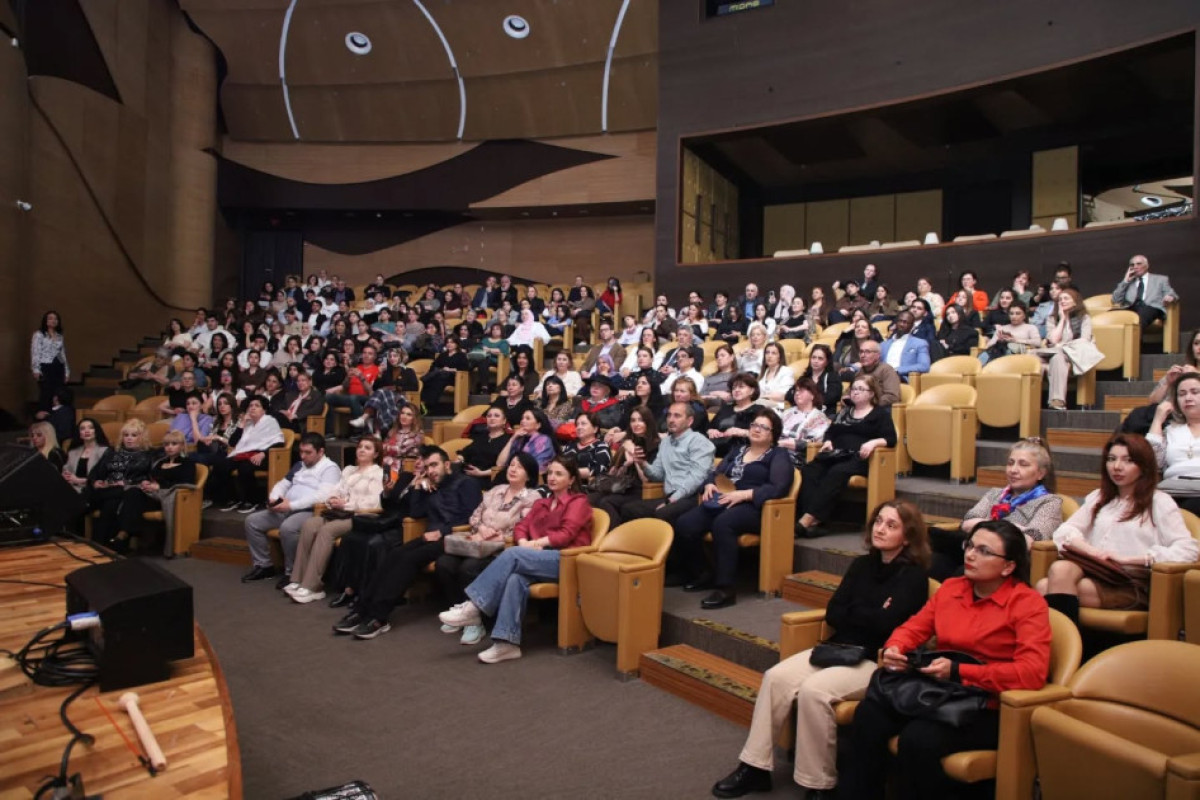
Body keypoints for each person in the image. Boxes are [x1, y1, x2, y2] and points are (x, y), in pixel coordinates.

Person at [713, 500, 931, 799]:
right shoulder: (861, 565)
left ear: (907, 537)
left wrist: (858, 611)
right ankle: (754, 767)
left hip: (875, 660)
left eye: (891, 525)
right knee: (776, 677)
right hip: (839, 647)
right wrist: (870, 612)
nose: (880, 529)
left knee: (814, 691)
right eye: (878, 521)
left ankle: (818, 784)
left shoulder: (914, 577)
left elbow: (886, 625)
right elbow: (834, 613)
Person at [842, 519, 1050, 800]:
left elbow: (1032, 672)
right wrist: (895, 647)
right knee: (869, 715)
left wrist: (959, 671)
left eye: (984, 551)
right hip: (941, 691)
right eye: (970, 546)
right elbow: (914, 627)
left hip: (987, 704)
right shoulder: (953, 588)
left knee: (918, 739)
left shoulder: (1027, 604)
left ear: (1008, 566)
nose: (971, 555)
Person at [437, 455, 593, 663]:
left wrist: (535, 544)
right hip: (538, 557)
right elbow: (521, 527)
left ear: (571, 479)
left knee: (512, 554)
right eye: (550, 473)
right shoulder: (542, 503)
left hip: (567, 559)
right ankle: (506, 643)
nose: (552, 477)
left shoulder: (578, 502)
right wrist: (523, 542)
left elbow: (566, 534)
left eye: (559, 474)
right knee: (514, 579)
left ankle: (474, 606)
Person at [1040, 433, 1198, 623]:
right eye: (1111, 459)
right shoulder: (1099, 497)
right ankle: (1066, 638)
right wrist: (1091, 551)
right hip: (1097, 572)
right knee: (1060, 569)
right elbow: (1064, 531)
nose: (1117, 466)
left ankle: (1065, 639)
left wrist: (1132, 559)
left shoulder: (1160, 502)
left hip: (1131, 582)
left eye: (1128, 460)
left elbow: (1188, 549)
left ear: (1144, 466)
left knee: (1044, 587)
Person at [332, 445, 483, 638]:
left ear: (447, 465)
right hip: (431, 537)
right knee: (393, 554)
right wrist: (418, 487)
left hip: (455, 537)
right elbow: (416, 512)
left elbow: (471, 518)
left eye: (434, 465)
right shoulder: (432, 485)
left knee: (408, 560)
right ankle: (362, 610)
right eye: (427, 467)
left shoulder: (466, 484)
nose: (431, 471)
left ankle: (379, 616)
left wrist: (442, 532)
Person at [672, 409, 792, 609]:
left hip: (754, 507)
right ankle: (703, 573)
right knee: (685, 524)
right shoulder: (738, 450)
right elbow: (715, 472)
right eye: (754, 425)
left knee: (723, 523)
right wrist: (709, 484)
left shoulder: (778, 455)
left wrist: (745, 495)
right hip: (723, 499)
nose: (757, 429)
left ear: (773, 434)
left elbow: (778, 487)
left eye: (764, 427)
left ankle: (725, 588)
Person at [435, 452, 541, 645]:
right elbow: (475, 516)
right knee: (444, 563)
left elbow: (526, 527)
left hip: (503, 549)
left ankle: (477, 621)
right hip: (478, 542)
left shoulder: (532, 498)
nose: (513, 469)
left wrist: (502, 536)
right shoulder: (496, 490)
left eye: (519, 467)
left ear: (529, 475)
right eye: (512, 465)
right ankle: (459, 611)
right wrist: (482, 528)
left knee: (468, 567)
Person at [930, 438, 1062, 580]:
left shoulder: (1050, 502)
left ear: (1041, 473)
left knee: (963, 572)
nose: (1013, 470)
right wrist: (1010, 528)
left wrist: (983, 526)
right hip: (973, 551)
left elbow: (1029, 539)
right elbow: (967, 522)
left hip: (1008, 563)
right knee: (934, 562)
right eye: (1010, 463)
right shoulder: (995, 493)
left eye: (1023, 465)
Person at [285, 437, 385, 604]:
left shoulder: (377, 473)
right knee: (310, 524)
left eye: (367, 448)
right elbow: (335, 490)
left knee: (327, 530)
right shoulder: (349, 470)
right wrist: (332, 499)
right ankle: (297, 580)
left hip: (360, 516)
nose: (361, 450)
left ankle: (313, 587)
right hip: (338, 513)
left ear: (375, 454)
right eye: (360, 446)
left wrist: (346, 504)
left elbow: (374, 503)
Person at [796, 374, 897, 537]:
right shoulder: (844, 411)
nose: (855, 392)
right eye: (853, 388)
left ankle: (807, 519)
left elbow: (891, 439)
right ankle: (814, 519)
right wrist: (828, 441)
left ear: (871, 393)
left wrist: (874, 442)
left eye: (861, 389)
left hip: (860, 458)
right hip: (836, 454)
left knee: (836, 472)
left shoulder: (879, 414)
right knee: (810, 469)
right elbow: (831, 431)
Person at [239, 432, 341, 587]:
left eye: (308, 452)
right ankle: (264, 566)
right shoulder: (300, 465)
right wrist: (274, 500)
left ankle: (292, 572)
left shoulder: (330, 468)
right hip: (286, 508)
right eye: (301, 452)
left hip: (311, 512)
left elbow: (321, 496)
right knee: (252, 521)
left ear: (321, 452)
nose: (303, 456)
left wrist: (291, 505)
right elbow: (282, 485)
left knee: (288, 528)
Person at [614, 401, 715, 526]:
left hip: (692, 496)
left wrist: (671, 500)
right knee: (629, 509)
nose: (671, 420)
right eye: (669, 415)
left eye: (677, 416)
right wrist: (642, 463)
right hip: (670, 496)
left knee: (663, 513)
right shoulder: (665, 442)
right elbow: (657, 475)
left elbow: (696, 479)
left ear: (689, 421)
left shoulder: (698, 441)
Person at [82, 419, 154, 552]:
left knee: (114, 501)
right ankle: (115, 543)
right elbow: (96, 472)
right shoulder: (112, 453)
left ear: (142, 437)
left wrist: (127, 483)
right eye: (126, 435)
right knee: (113, 499)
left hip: (134, 491)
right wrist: (95, 481)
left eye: (134, 435)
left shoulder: (149, 455)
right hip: (110, 490)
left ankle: (101, 543)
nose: (129, 439)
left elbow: (152, 477)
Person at [122, 430, 198, 555]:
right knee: (132, 492)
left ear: (182, 446)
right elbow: (152, 478)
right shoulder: (160, 462)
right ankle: (128, 533)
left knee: (134, 500)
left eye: (174, 444)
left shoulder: (188, 463)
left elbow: (186, 483)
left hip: (169, 497)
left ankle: (127, 534)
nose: (170, 447)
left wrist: (160, 487)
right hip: (153, 495)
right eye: (167, 444)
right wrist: (147, 483)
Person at [208, 396, 286, 513]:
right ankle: (233, 498)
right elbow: (232, 442)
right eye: (251, 406)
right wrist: (242, 423)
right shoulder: (247, 423)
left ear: (264, 410)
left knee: (245, 467)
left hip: (266, 455)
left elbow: (279, 443)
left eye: (257, 406)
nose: (253, 408)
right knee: (222, 465)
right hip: (244, 454)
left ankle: (252, 501)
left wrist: (263, 454)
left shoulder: (270, 421)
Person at [1039, 287, 1093, 411]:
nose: (1062, 301)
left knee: (1057, 355)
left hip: (1074, 355)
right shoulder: (1052, 318)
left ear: (1075, 302)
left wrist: (1062, 346)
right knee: (1047, 357)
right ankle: (1054, 402)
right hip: (1054, 354)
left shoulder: (1084, 318)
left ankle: (1057, 400)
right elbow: (1053, 340)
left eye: (1066, 298)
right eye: (1060, 299)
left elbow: (1084, 341)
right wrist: (1062, 319)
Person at [1111, 253, 1178, 329]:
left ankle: (1133, 336)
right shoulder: (1128, 282)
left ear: (1147, 266)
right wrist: (1125, 281)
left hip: (1151, 308)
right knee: (1111, 315)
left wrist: (1170, 297)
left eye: (1139, 264)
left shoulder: (1160, 279)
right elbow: (1115, 300)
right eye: (1132, 265)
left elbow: (1172, 294)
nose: (1135, 267)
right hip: (1131, 308)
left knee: (1143, 313)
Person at [709, 373, 765, 458]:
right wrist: (711, 431)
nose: (736, 390)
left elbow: (764, 434)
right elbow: (710, 427)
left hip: (742, 452)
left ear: (752, 391)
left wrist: (742, 432)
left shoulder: (759, 410)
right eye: (734, 388)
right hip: (715, 449)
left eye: (741, 387)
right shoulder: (726, 408)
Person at [780, 378, 831, 467]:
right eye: (796, 390)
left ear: (812, 395)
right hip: (777, 451)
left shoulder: (819, 418)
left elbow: (810, 444)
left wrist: (782, 443)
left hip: (798, 457)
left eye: (801, 390)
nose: (797, 393)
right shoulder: (787, 413)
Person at [496, 408, 558, 475]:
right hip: (512, 475)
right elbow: (499, 464)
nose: (522, 421)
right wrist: (512, 439)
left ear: (538, 425)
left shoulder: (544, 440)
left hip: (532, 478)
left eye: (527, 418)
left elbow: (539, 469)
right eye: (522, 418)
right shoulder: (518, 439)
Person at [31, 310, 70, 412]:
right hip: (46, 366)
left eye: (56, 319)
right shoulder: (39, 334)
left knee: (59, 393)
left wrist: (66, 371)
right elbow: (35, 352)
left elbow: (62, 354)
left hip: (59, 366)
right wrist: (36, 369)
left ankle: (56, 417)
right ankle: (44, 416)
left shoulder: (59, 336)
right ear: (46, 321)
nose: (53, 320)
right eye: (50, 318)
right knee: (46, 393)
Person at [879, 310, 931, 382]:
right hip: (881, 378)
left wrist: (897, 370)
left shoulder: (920, 343)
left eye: (905, 322)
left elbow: (924, 366)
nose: (902, 324)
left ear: (912, 326)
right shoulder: (883, 345)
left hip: (901, 378)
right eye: (900, 321)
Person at [63, 418, 110, 493]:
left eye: (91, 428)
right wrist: (66, 476)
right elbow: (66, 470)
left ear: (96, 431)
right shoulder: (72, 452)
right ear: (79, 434)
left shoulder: (104, 451)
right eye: (82, 428)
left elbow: (104, 479)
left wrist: (78, 480)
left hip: (95, 491)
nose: (87, 431)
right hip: (73, 489)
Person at [562, 412, 611, 482]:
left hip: (588, 486)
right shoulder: (570, 445)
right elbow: (560, 463)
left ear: (595, 429)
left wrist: (571, 473)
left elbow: (599, 469)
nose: (579, 427)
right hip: (565, 483)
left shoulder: (601, 446)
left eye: (583, 424)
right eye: (577, 425)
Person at [854, 339, 901, 407]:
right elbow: (849, 391)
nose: (863, 355)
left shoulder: (886, 370)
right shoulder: (860, 371)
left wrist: (870, 402)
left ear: (877, 355)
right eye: (861, 352)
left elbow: (892, 396)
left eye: (867, 352)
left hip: (879, 408)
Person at [754, 342, 795, 410]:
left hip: (778, 408)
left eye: (774, 353)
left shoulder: (786, 371)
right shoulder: (764, 372)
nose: (769, 356)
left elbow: (784, 395)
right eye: (767, 352)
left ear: (779, 357)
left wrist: (762, 398)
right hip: (761, 406)